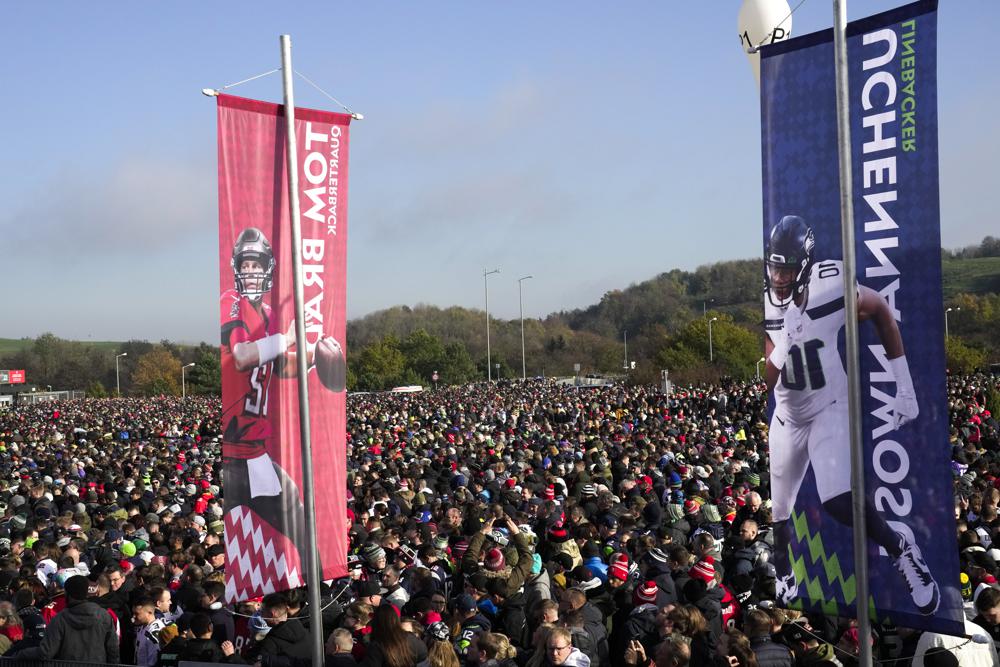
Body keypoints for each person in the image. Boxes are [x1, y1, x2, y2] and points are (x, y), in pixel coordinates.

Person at [762, 214, 938, 614]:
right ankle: (785, 575)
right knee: (778, 511)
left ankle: (902, 549)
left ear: (804, 266)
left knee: (838, 501)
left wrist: (904, 389)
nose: (779, 276)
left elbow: (880, 310)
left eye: (787, 268)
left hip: (829, 406)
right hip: (788, 416)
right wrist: (785, 340)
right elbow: (768, 379)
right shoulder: (769, 303)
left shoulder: (831, 285)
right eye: (774, 266)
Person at [221, 227, 326, 572]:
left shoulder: (267, 316)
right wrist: (287, 337)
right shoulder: (231, 303)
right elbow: (241, 355)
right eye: (245, 263)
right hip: (232, 454)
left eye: (257, 263)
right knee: (218, 534)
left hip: (254, 453)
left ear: (268, 267)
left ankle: (315, 584)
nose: (251, 270)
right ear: (237, 267)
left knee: (298, 517)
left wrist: (314, 355)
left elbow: (282, 368)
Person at [33, 574, 120, 663]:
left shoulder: (60, 619)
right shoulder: (104, 616)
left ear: (67, 594)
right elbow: (113, 651)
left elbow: (46, 652)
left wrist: (21, 653)